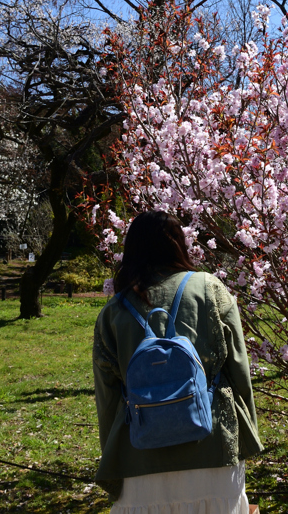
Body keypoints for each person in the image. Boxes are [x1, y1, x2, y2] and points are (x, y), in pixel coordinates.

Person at [93, 211, 263, 513]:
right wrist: (247, 439)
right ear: (179, 245)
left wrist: (113, 461)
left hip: (139, 460)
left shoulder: (113, 312)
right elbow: (238, 371)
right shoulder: (209, 288)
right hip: (213, 451)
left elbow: (107, 400)